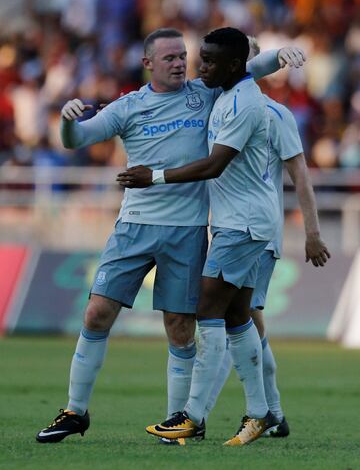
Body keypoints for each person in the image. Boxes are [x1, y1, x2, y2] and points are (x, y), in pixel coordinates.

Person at [36, 27, 304, 444]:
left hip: (187, 231)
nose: (181, 63)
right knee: (96, 314)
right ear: (148, 64)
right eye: (170, 58)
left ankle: (178, 425)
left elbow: (248, 69)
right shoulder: (128, 107)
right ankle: (74, 411)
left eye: (183, 55)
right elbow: (78, 139)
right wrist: (68, 120)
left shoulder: (206, 92)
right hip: (135, 226)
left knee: (181, 329)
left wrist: (280, 55)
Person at [117, 27, 286, 446]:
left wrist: (152, 177)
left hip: (241, 225)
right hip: (238, 221)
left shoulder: (246, 104)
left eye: (208, 61)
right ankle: (261, 412)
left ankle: (191, 416)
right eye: (201, 58)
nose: (199, 67)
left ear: (233, 66)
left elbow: (213, 166)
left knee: (207, 311)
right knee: (235, 317)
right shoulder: (226, 94)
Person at [202, 36, 331, 439]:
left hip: (256, 233)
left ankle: (211, 414)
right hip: (231, 226)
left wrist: (312, 232)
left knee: (235, 320)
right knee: (248, 322)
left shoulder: (275, 115)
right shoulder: (219, 103)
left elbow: (301, 176)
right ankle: (271, 413)